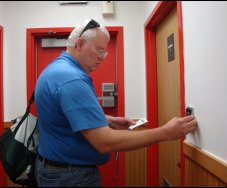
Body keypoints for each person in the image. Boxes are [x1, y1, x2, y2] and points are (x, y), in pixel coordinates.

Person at [34, 19, 197, 187]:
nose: (101, 58)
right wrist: (166, 132)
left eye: (104, 53)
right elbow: (104, 142)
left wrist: (109, 120)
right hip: (70, 177)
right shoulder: (72, 79)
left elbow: (66, 115)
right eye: (99, 50)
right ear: (80, 44)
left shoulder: (56, 69)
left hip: (57, 170)